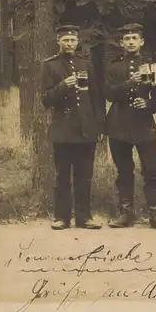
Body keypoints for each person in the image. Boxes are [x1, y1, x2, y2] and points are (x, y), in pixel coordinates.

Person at [104, 23, 156, 230]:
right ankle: (125, 213)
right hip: (118, 124)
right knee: (124, 171)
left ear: (141, 42)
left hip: (144, 125)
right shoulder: (113, 67)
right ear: (121, 43)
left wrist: (149, 104)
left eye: (134, 38)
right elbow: (109, 94)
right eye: (127, 39)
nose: (131, 42)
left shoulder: (153, 65)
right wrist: (130, 83)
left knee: (152, 170)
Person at [41, 25, 106, 230]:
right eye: (65, 40)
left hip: (86, 129)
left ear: (78, 42)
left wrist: (99, 126)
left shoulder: (85, 64)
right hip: (63, 129)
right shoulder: (49, 66)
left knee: (84, 175)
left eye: (73, 40)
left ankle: (84, 217)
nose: (69, 44)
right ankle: (61, 217)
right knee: (62, 176)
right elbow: (45, 99)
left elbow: (96, 97)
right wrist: (63, 86)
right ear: (58, 41)